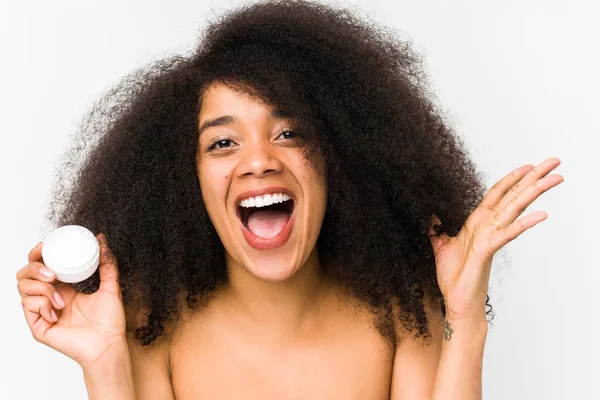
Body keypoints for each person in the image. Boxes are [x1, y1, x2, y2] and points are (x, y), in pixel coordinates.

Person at [16, 1, 564, 398]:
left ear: (339, 157)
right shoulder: (149, 327)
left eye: (289, 133)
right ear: (186, 180)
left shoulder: (404, 318)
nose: (258, 161)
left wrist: (464, 317)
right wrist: (105, 366)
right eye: (223, 142)